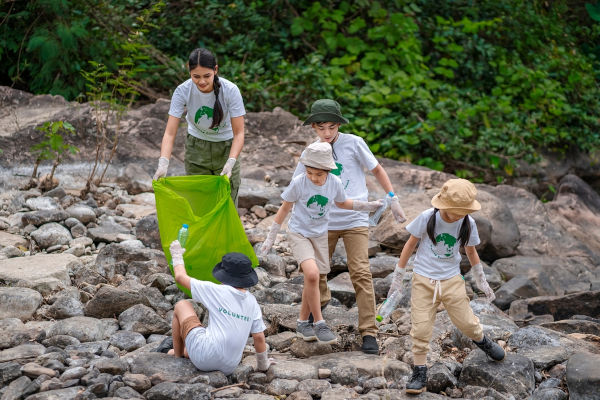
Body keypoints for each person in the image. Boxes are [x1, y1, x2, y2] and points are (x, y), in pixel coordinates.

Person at [292, 99, 407, 355]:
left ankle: (369, 332)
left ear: (338, 125)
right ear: (313, 127)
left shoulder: (353, 142)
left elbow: (377, 169)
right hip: (323, 221)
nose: (328, 133)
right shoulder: (311, 151)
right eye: (322, 128)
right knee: (318, 271)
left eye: (332, 127)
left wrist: (392, 198)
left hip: (355, 217)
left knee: (361, 272)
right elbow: (297, 185)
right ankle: (314, 314)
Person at [387, 178, 504, 394]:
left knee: (466, 322)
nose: (457, 215)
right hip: (423, 279)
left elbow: (471, 251)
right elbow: (410, 244)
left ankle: (482, 340)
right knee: (421, 327)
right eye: (454, 211)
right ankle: (420, 371)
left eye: (462, 211)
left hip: (451, 280)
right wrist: (398, 275)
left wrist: (481, 279)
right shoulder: (427, 217)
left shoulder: (468, 223)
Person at [260, 142, 383, 344]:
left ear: (327, 170)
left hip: (319, 235)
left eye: (318, 174)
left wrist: (368, 206)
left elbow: (343, 203)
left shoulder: (334, 182)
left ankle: (302, 323)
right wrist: (271, 236)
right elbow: (284, 208)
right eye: (310, 172)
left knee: (313, 279)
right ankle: (319, 322)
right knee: (312, 274)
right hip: (299, 233)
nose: (313, 178)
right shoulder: (299, 182)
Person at [157, 240, 272, 375]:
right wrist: (264, 366)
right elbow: (259, 337)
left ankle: (177, 357)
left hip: (204, 357)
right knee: (207, 339)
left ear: (223, 274)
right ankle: (183, 351)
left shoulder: (216, 290)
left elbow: (180, 277)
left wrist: (176, 255)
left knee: (182, 305)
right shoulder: (252, 302)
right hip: (230, 367)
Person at [153, 48, 245, 205]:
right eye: (196, 76)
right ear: (189, 71)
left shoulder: (230, 90)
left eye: (207, 76)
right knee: (199, 202)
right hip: (196, 149)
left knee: (226, 203)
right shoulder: (183, 91)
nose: (201, 81)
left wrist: (231, 162)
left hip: (226, 148)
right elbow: (169, 133)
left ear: (215, 70)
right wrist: (163, 162)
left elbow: (239, 133)